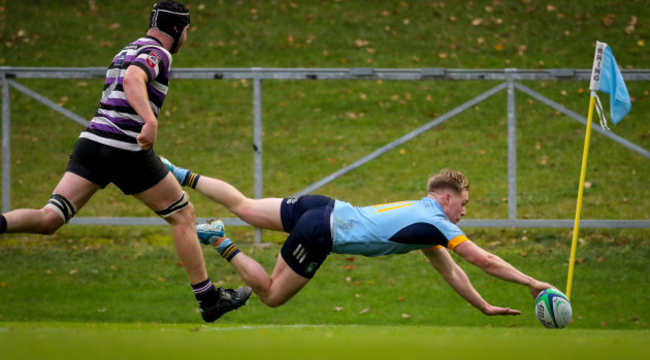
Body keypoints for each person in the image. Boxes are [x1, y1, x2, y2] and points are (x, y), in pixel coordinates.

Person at [0, 0, 251, 322]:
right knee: (183, 214)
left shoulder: (126, 48)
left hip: (91, 143)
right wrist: (150, 120)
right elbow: (134, 80)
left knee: (50, 218)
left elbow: (124, 79)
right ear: (176, 29)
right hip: (123, 147)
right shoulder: (159, 53)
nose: (187, 37)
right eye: (187, 30)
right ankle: (209, 300)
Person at [161, 157, 555, 316]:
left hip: (323, 206)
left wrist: (484, 306)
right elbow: (483, 260)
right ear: (446, 197)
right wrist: (532, 282)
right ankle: (218, 240)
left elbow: (453, 273)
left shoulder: (425, 222)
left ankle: (174, 172)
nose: (464, 212)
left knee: (245, 206)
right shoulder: (438, 224)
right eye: (463, 204)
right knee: (271, 295)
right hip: (320, 232)